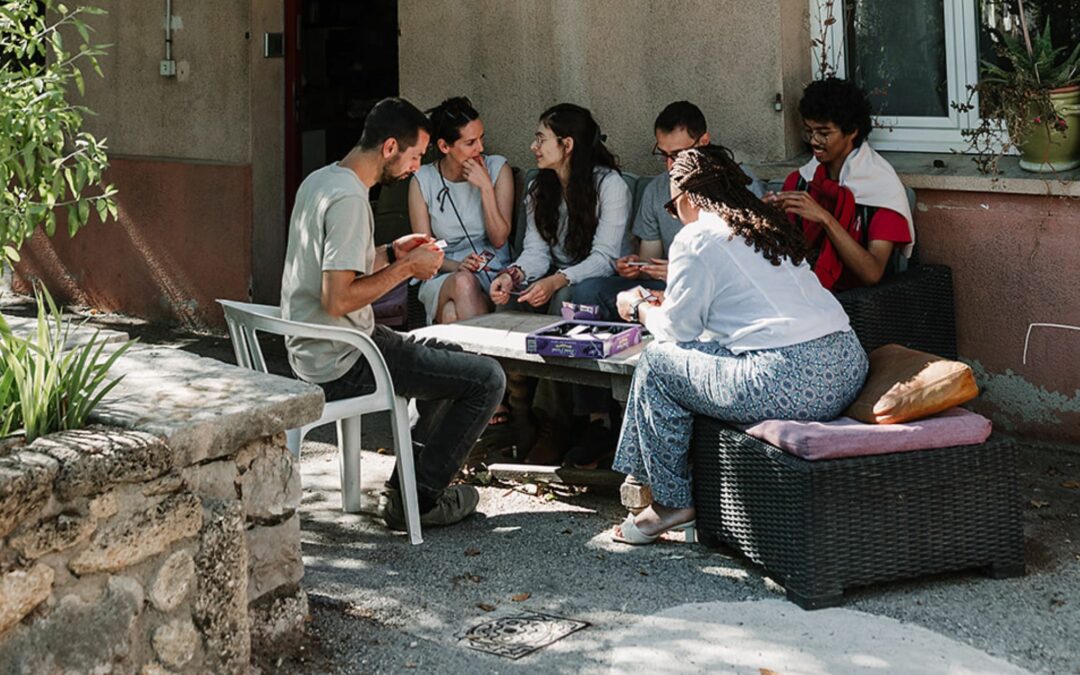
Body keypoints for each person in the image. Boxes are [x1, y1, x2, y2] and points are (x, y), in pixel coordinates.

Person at [610, 145, 868, 545]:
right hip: (848, 365)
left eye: (672, 207)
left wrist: (640, 306)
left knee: (657, 362)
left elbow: (675, 334)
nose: (675, 217)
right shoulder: (764, 226)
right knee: (686, 361)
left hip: (791, 380)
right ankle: (653, 487)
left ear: (689, 198)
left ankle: (668, 502)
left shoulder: (696, 237)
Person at [280, 97, 506, 533]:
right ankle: (418, 499)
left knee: (445, 353)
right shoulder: (349, 201)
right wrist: (407, 269)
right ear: (389, 148)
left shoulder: (321, 180)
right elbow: (338, 299)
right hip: (343, 358)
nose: (416, 167)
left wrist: (389, 252)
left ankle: (407, 485)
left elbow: (335, 270)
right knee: (486, 380)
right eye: (416, 156)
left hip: (320, 346)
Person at [489, 103, 632, 464]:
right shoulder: (541, 187)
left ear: (567, 144)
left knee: (564, 300)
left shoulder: (609, 185)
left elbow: (605, 257)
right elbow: (536, 251)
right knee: (509, 302)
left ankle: (555, 422)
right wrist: (513, 275)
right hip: (557, 277)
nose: (534, 146)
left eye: (541, 138)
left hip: (600, 281)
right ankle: (520, 413)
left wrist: (557, 280)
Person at [571, 101, 766, 319]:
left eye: (679, 154)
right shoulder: (656, 189)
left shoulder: (740, 183)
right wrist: (637, 267)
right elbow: (650, 259)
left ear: (704, 142)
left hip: (720, 288)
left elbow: (749, 263)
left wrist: (683, 273)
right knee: (588, 291)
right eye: (664, 155)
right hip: (665, 286)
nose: (671, 165)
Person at [763, 77, 914, 291]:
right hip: (798, 293)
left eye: (824, 133)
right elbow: (784, 253)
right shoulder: (800, 180)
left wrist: (825, 219)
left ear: (851, 131)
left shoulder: (882, 190)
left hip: (857, 303)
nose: (814, 141)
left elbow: (872, 273)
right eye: (809, 131)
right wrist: (765, 218)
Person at [408, 96, 514, 326]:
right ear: (445, 146)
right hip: (444, 271)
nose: (481, 148)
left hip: (493, 269)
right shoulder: (423, 180)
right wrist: (458, 267)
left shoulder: (497, 168)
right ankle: (491, 359)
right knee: (464, 282)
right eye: (470, 143)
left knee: (450, 314)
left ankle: (476, 361)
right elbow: (425, 251)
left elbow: (498, 239)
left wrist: (486, 187)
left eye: (481, 138)